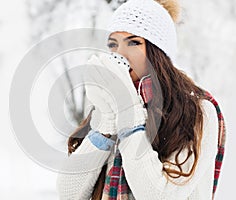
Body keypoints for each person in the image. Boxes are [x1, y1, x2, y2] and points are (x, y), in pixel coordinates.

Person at [56, 0, 226, 199]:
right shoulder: (110, 105)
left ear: (158, 52)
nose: (119, 54)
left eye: (133, 42)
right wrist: (108, 121)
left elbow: (158, 194)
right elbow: (69, 192)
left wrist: (128, 112)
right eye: (113, 44)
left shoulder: (197, 110)